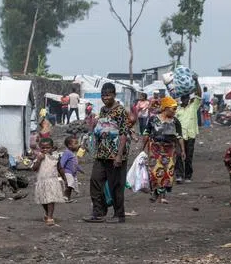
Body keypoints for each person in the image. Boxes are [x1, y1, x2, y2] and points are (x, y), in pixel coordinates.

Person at [85, 82, 133, 223]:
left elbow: (124, 133)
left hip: (115, 155)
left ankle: (119, 215)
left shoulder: (121, 111)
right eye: (103, 95)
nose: (105, 98)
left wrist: (119, 155)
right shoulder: (103, 110)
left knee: (116, 185)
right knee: (95, 181)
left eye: (108, 95)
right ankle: (98, 212)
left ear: (114, 95)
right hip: (101, 153)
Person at [138, 97, 183, 204]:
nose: (175, 111)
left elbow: (179, 137)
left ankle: (162, 195)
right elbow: (146, 133)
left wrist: (182, 150)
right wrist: (142, 148)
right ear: (166, 108)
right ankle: (155, 193)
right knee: (154, 172)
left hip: (169, 150)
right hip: (155, 149)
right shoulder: (153, 119)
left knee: (167, 173)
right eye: (173, 109)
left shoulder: (175, 122)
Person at [175, 77, 204, 183]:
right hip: (179, 135)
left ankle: (187, 176)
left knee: (188, 156)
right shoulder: (177, 109)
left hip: (190, 135)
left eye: (187, 99)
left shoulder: (193, 106)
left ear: (189, 99)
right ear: (182, 99)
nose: (185, 100)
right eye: (184, 99)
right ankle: (179, 175)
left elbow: (199, 94)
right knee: (178, 155)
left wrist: (196, 81)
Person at [32, 137, 65, 226]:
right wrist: (39, 160)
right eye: (43, 148)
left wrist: (65, 178)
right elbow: (34, 168)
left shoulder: (56, 157)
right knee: (43, 200)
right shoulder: (39, 156)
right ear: (40, 148)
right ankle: (47, 213)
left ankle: (50, 217)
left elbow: (60, 168)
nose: (45, 149)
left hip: (52, 181)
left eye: (48, 147)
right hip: (42, 182)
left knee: (50, 199)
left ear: (52, 147)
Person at [59, 135, 83, 202]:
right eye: (75, 143)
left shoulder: (72, 153)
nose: (78, 145)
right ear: (69, 145)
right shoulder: (67, 153)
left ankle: (68, 198)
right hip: (67, 172)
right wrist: (61, 170)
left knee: (71, 185)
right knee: (69, 184)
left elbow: (75, 164)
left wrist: (80, 169)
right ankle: (65, 196)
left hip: (73, 173)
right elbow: (62, 162)